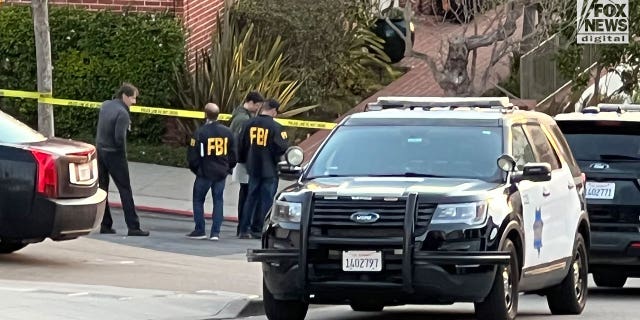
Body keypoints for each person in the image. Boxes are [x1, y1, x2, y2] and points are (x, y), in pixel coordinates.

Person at [96, 83, 149, 236]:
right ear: (124, 96)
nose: (134, 102)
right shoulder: (123, 114)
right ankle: (133, 226)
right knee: (125, 190)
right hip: (115, 155)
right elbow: (119, 138)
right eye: (133, 98)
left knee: (102, 189)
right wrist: (123, 156)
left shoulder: (106, 106)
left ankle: (105, 225)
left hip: (100, 151)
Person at [237, 99, 289, 239]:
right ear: (273, 111)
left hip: (253, 167)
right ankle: (259, 229)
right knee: (266, 200)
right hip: (270, 169)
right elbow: (282, 149)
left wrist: (243, 161)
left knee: (250, 197)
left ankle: (244, 229)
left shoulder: (248, 124)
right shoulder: (276, 127)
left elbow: (241, 144)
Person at [186, 103, 237, 240]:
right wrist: (227, 168)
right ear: (218, 115)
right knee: (218, 200)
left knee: (198, 200)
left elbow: (192, 156)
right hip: (221, 172)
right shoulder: (227, 132)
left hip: (205, 172)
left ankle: (200, 230)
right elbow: (233, 154)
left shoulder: (200, 133)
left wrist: (197, 170)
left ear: (205, 114)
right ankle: (215, 232)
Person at [229, 91, 263, 235]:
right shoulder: (243, 119)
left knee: (245, 194)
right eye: (257, 106)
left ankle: (242, 226)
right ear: (250, 103)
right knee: (247, 195)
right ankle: (244, 226)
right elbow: (240, 142)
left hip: (242, 161)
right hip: (244, 162)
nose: (258, 109)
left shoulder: (239, 114)